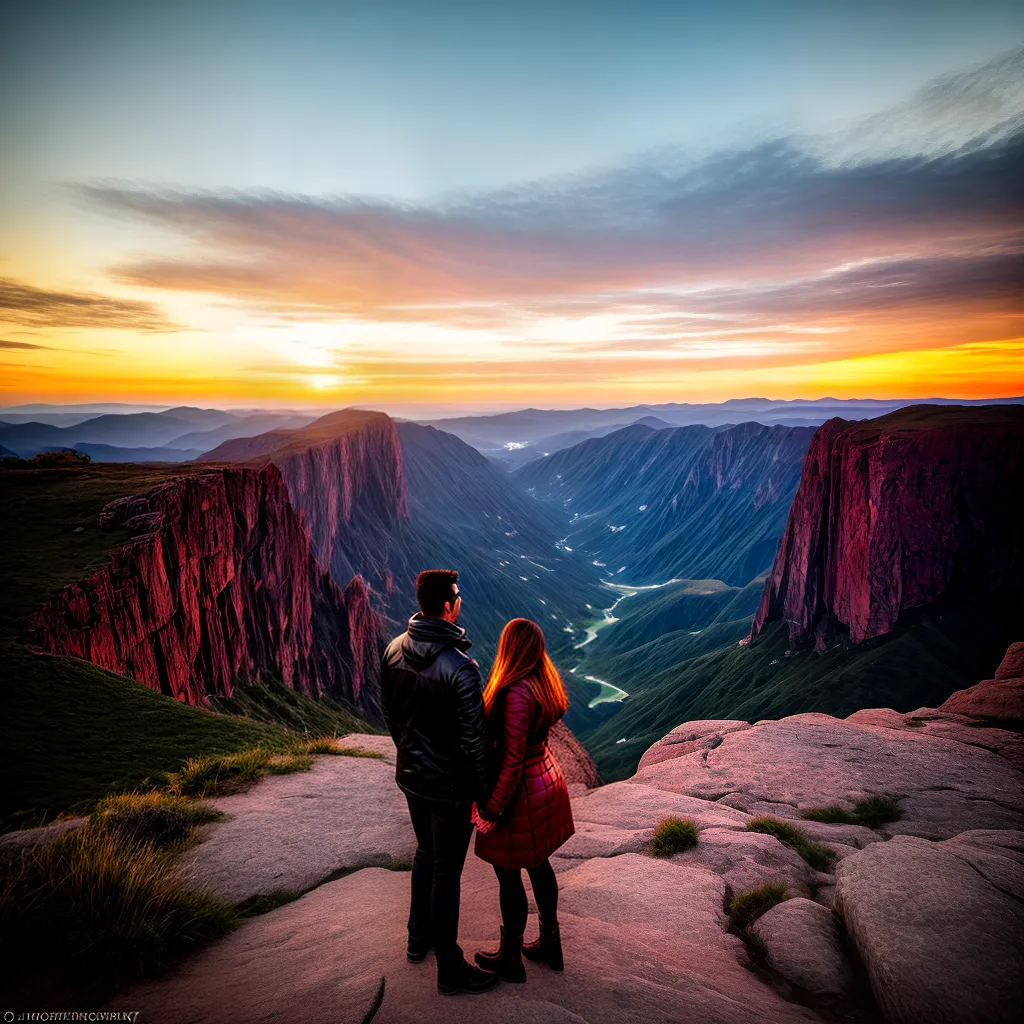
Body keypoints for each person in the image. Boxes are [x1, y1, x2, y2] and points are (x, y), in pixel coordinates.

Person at [379, 569, 500, 996]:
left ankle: (418, 939)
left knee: (425, 855)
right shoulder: (460, 668)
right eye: (458, 596)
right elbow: (474, 742)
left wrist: (411, 757)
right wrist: (486, 798)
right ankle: (450, 966)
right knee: (446, 871)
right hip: (450, 789)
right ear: (449, 605)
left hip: (412, 779)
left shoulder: (393, 649)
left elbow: (391, 716)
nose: (460, 601)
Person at [471, 618, 575, 982]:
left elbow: (511, 761)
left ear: (510, 648)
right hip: (545, 781)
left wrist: (490, 809)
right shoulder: (543, 683)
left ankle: (511, 959)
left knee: (509, 877)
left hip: (521, 798)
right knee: (539, 865)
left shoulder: (515, 691)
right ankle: (550, 943)